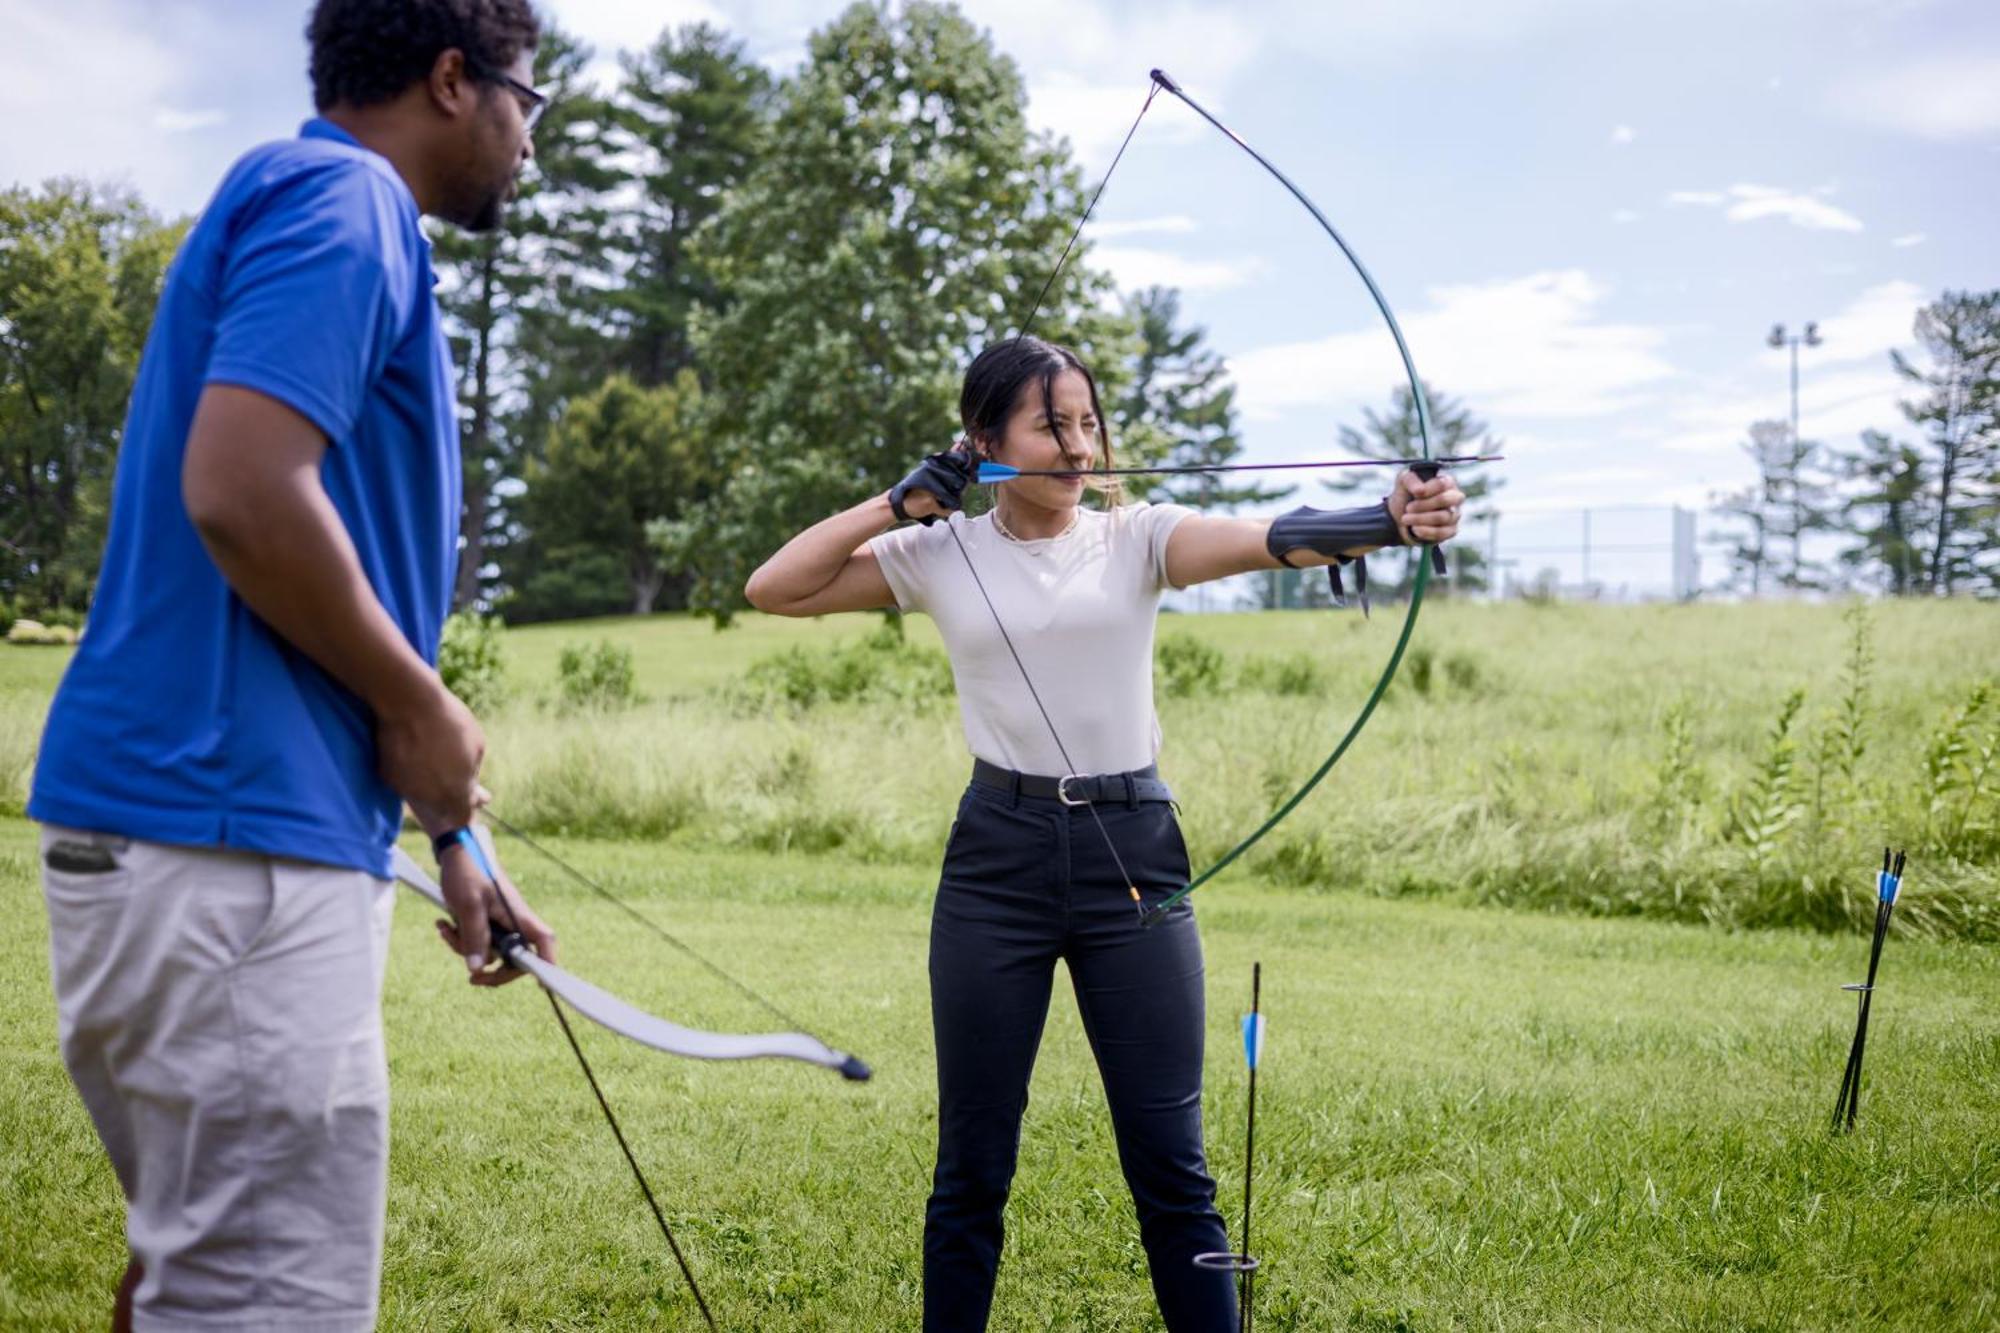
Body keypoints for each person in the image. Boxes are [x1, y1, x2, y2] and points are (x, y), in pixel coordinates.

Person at [744, 335, 1464, 1330]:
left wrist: (1386, 518)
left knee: (1172, 1167)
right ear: (984, 440)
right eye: (1052, 425)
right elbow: (771, 587)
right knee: (972, 1166)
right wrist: (898, 503)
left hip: (1132, 851)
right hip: (994, 859)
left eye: (1089, 423)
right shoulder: (937, 552)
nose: (1081, 447)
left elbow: (1275, 536)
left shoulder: (1138, 537)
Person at [28, 2, 559, 1328]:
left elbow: (317, 558)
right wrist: (420, 699)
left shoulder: (302, 202)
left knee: (188, 1277)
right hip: (225, 855)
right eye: (528, 102)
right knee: (259, 1303)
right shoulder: (346, 202)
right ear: (455, 81)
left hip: (208, 834)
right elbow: (245, 489)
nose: (531, 146)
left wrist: (451, 831)